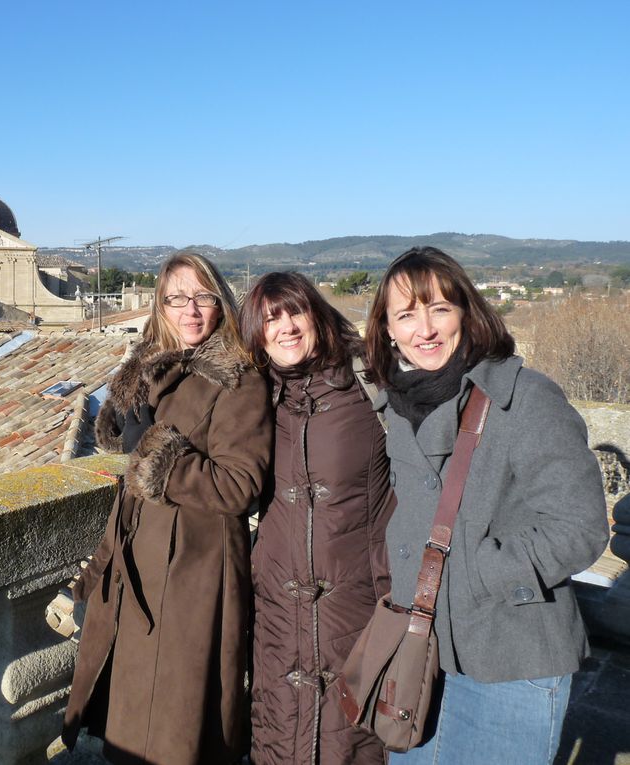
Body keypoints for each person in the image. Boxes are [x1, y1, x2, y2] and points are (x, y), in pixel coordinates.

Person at [364, 246, 609, 764]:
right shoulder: (396, 405)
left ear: (465, 313)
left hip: (511, 660)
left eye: (439, 309)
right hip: (419, 657)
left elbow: (581, 525)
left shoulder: (527, 397)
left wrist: (477, 573)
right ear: (387, 329)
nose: (424, 329)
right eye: (406, 314)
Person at [62, 251, 272, 765]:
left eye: (203, 297)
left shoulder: (238, 379)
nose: (191, 310)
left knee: (175, 724)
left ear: (221, 302)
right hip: (137, 563)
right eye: (177, 298)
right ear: (161, 305)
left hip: (192, 573)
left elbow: (239, 484)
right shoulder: (150, 369)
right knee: (128, 713)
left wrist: (156, 453)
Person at [240, 272, 393, 765]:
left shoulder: (373, 385)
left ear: (317, 315)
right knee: (280, 736)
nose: (285, 327)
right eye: (270, 318)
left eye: (294, 312)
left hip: (359, 609)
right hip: (278, 616)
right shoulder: (252, 398)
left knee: (352, 738)